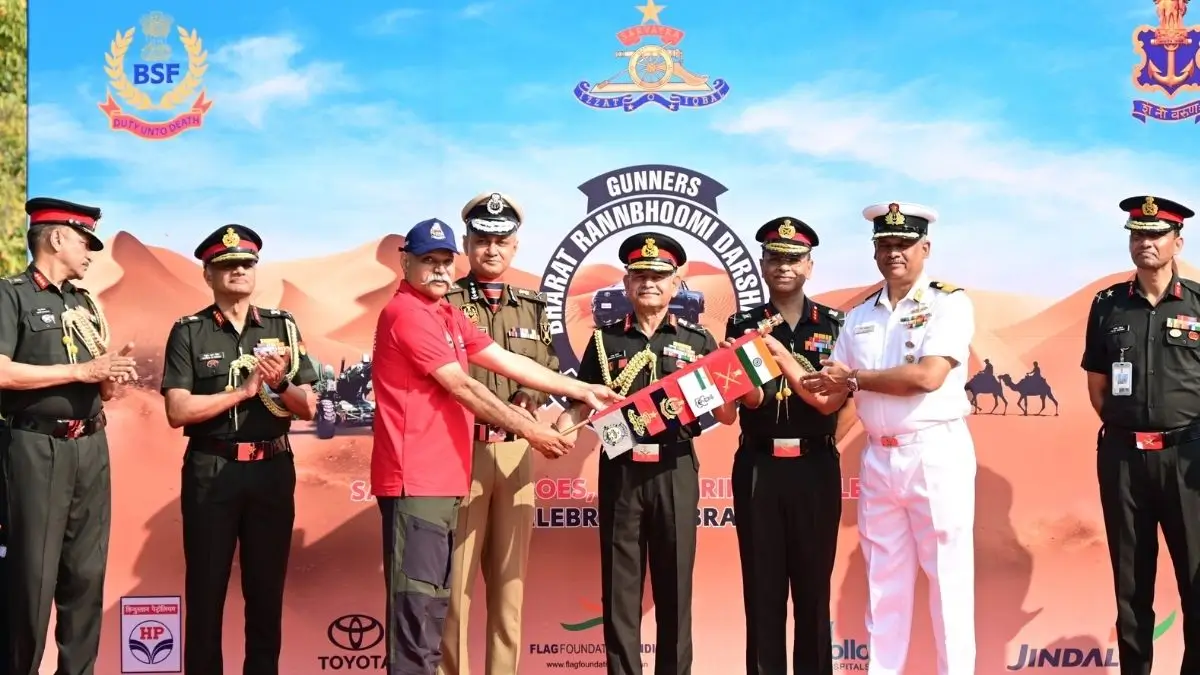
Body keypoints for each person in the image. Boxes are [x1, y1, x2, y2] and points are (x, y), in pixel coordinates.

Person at [370, 217, 619, 675]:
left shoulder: (444, 313)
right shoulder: (405, 313)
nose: (441, 271)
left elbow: (508, 361)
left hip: (442, 482)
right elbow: (464, 387)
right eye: (428, 261)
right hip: (416, 484)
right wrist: (531, 432)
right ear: (405, 262)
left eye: (446, 262)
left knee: (432, 609)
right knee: (417, 622)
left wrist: (582, 390)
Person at [800, 201, 977, 675]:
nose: (893, 253)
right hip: (880, 459)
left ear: (925, 248)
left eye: (903, 244)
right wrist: (779, 356)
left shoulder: (949, 302)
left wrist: (853, 380)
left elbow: (927, 377)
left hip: (934, 452)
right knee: (883, 584)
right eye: (884, 244)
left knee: (949, 582)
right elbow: (832, 391)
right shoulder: (858, 316)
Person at [556, 232, 727, 675]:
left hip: (676, 466)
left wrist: (730, 370)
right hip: (622, 470)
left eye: (659, 276)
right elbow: (582, 401)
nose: (649, 283)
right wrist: (563, 427)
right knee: (620, 587)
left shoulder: (699, 340)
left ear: (676, 283)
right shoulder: (603, 341)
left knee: (675, 586)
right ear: (627, 284)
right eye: (640, 275)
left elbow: (726, 415)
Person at [159, 224, 319, 675]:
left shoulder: (282, 325)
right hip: (212, 468)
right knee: (206, 593)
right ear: (208, 274)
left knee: (266, 592)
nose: (239, 271)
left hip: (271, 468)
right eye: (227, 265)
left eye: (247, 263)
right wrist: (245, 391)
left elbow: (308, 407)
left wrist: (280, 383)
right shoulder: (189, 331)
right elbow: (177, 409)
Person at [0, 197, 139, 675]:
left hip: (90, 447)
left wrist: (110, 375)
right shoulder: (10, 294)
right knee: (32, 581)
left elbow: (102, 387)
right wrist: (83, 370)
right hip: (36, 447)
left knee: (86, 575)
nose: (90, 253)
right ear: (57, 237)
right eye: (85, 242)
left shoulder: (83, 304)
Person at [439, 192, 559, 675]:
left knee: (511, 587)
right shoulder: (443, 304)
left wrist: (529, 399)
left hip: (515, 456)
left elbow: (547, 364)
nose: (492, 249)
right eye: (483, 240)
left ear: (515, 247)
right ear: (467, 243)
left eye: (502, 241)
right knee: (455, 590)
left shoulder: (532, 305)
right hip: (460, 453)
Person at [1081, 195, 1200, 675]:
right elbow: (1097, 386)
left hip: (1189, 458)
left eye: (1155, 234)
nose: (1145, 242)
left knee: (1196, 578)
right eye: (1137, 233)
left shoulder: (1197, 303)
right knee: (1131, 583)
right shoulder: (1108, 305)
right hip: (1125, 460)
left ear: (1178, 242)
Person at [723, 217, 847, 675]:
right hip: (759, 465)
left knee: (814, 590)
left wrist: (829, 438)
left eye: (794, 259)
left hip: (815, 468)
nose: (784, 267)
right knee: (763, 588)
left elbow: (847, 399)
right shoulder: (743, 324)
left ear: (810, 266)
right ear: (761, 263)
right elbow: (741, 398)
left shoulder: (835, 325)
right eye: (775, 258)